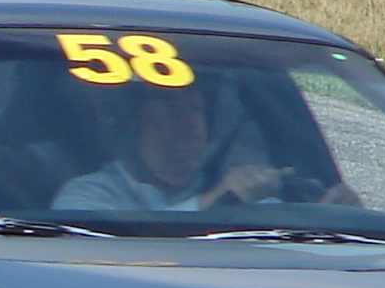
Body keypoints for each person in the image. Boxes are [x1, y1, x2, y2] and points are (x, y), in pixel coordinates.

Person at [53, 82, 288, 214]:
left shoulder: (235, 187)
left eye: (196, 111)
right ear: (130, 128)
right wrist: (217, 201)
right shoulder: (86, 196)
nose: (191, 129)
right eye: (172, 113)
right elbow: (131, 251)